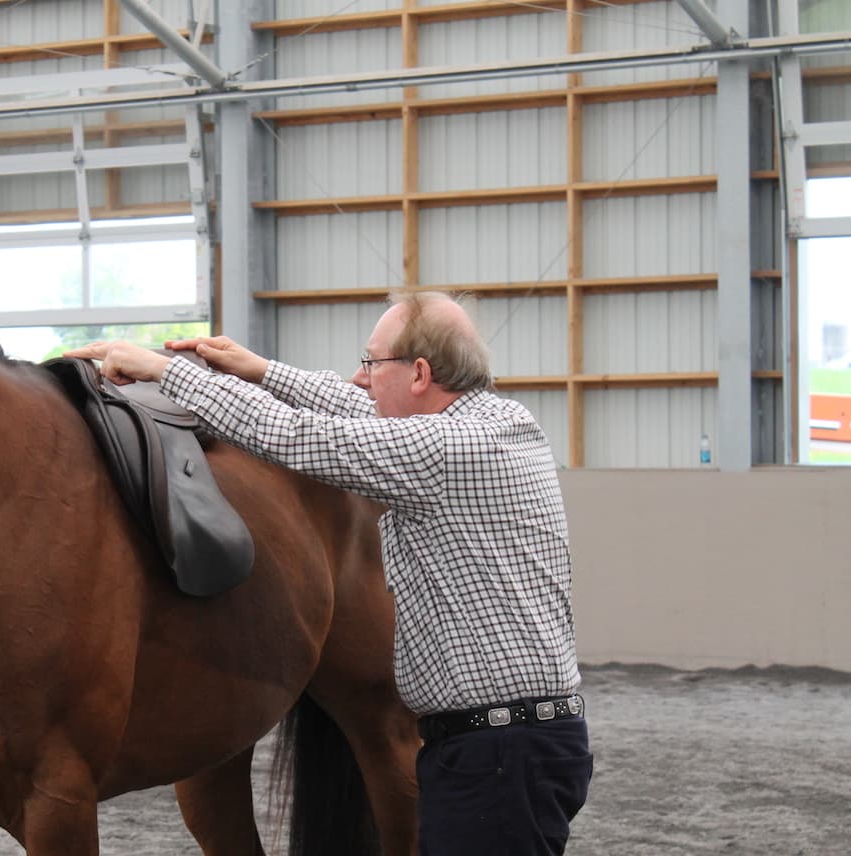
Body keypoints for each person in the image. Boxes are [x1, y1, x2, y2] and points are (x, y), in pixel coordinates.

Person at [66, 290, 592, 855]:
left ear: (419, 373)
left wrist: (167, 374)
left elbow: (296, 436)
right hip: (509, 743)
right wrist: (260, 369)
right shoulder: (497, 419)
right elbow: (351, 407)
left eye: (372, 362)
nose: (359, 377)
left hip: (496, 754)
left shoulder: (444, 448)